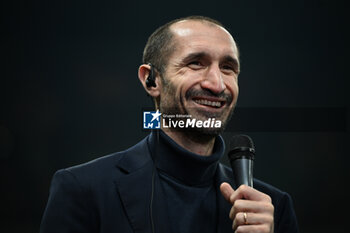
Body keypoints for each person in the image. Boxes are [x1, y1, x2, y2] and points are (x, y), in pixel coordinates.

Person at [40, 16, 299, 233]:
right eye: (196, 63)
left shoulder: (274, 208)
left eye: (228, 68)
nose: (217, 84)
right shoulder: (82, 190)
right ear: (151, 81)